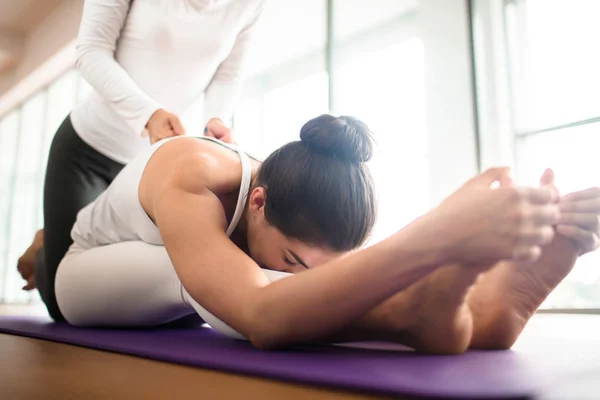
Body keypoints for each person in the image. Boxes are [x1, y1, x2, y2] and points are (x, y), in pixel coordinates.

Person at [28, 114, 600, 352]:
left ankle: (456, 309)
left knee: (261, 276)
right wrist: (438, 237)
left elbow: (309, 273)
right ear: (257, 202)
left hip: (157, 247)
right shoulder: (192, 176)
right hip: (83, 273)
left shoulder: (289, 192)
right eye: (296, 261)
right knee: (208, 284)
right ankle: (413, 315)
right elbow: (258, 313)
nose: (296, 268)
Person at [17, 0, 265, 321]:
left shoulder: (251, 5)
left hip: (148, 168)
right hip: (86, 152)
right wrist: (148, 114)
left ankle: (57, 235)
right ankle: (46, 248)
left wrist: (215, 119)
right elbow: (91, 51)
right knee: (61, 305)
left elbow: (227, 74)